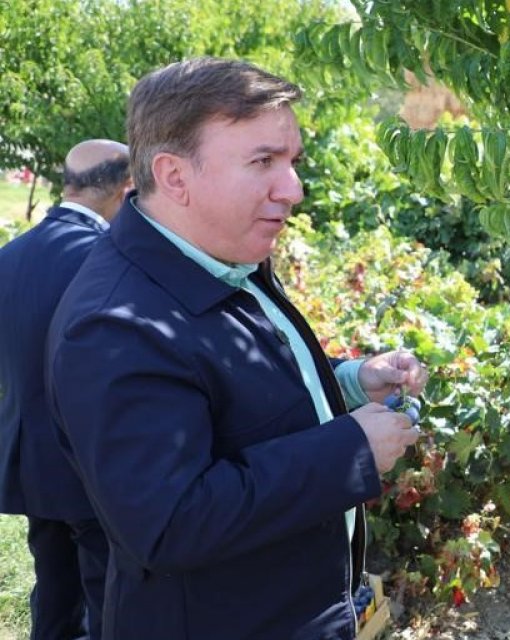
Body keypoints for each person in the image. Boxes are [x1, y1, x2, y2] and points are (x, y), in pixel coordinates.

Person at [44, 57, 423, 639]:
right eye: (263, 161)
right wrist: (350, 450)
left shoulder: (219, 258)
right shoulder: (115, 327)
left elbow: (233, 395)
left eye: (291, 160)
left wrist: (348, 383)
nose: (293, 188)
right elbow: (170, 523)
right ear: (174, 176)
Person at [0, 138, 131, 640]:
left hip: (28, 457)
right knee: (107, 602)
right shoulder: (104, 258)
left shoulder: (12, 254)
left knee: (54, 598)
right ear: (125, 190)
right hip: (88, 465)